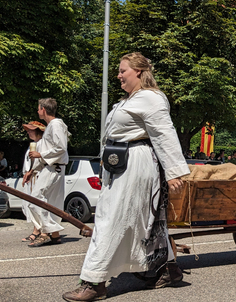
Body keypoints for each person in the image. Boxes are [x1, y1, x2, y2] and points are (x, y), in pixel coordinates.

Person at [62, 53, 190, 302]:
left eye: (123, 71)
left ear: (139, 72)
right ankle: (168, 268)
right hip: (119, 164)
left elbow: (164, 133)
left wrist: (174, 172)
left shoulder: (151, 98)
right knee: (137, 221)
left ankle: (94, 282)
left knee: (112, 220)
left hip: (136, 163)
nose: (118, 75)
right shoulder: (126, 101)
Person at [22, 98, 69, 247]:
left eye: (38, 108)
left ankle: (46, 232)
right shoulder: (52, 126)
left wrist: (40, 155)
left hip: (54, 167)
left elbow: (61, 147)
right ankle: (54, 235)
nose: (37, 111)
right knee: (50, 202)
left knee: (36, 198)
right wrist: (33, 170)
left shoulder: (55, 125)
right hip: (52, 166)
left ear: (43, 109)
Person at [20, 121, 46, 242]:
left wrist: (31, 171)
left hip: (37, 176)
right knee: (31, 204)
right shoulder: (34, 144)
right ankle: (37, 229)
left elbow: (39, 162)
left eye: (31, 130)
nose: (28, 132)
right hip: (31, 177)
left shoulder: (41, 144)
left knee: (36, 204)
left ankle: (38, 231)